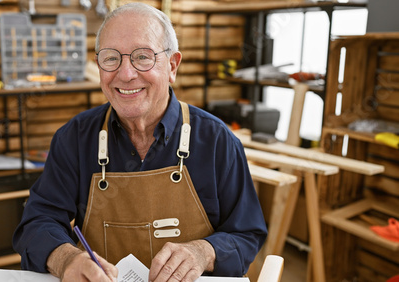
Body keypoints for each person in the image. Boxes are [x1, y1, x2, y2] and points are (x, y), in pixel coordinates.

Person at [13, 3, 267, 281]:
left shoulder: (217, 141)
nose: (125, 74)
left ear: (172, 65)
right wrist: (66, 259)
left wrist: (203, 252)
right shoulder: (74, 139)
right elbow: (37, 222)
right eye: (111, 58)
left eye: (142, 57)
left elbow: (246, 233)